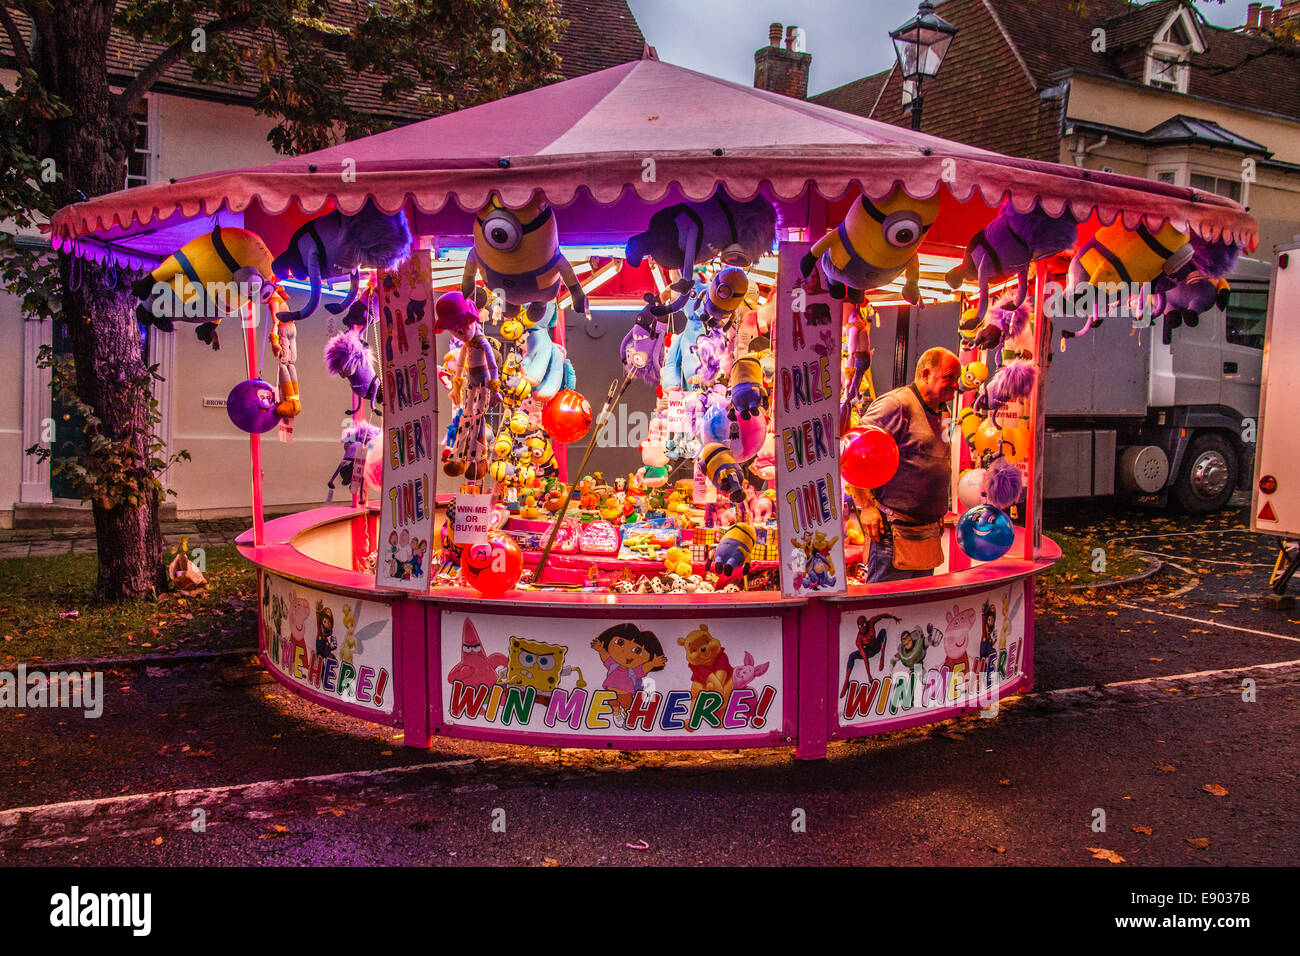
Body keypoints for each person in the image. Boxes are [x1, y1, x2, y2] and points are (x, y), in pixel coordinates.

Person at [854, 347, 961, 583]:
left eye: (957, 379)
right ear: (925, 374)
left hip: (927, 532)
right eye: (949, 378)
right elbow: (853, 451)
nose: (956, 385)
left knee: (915, 607)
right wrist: (865, 506)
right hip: (892, 531)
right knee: (883, 607)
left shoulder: (945, 413)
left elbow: (941, 460)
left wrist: (937, 509)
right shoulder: (895, 405)